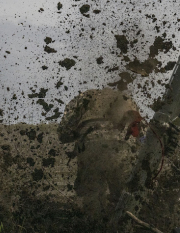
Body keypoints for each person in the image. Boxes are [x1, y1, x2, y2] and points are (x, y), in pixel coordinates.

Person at [57, 88, 143, 221]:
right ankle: (124, 225)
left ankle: (95, 225)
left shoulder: (83, 97)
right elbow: (141, 134)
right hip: (122, 148)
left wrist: (77, 134)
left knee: (92, 195)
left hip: (91, 146)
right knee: (125, 195)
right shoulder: (126, 99)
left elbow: (63, 132)